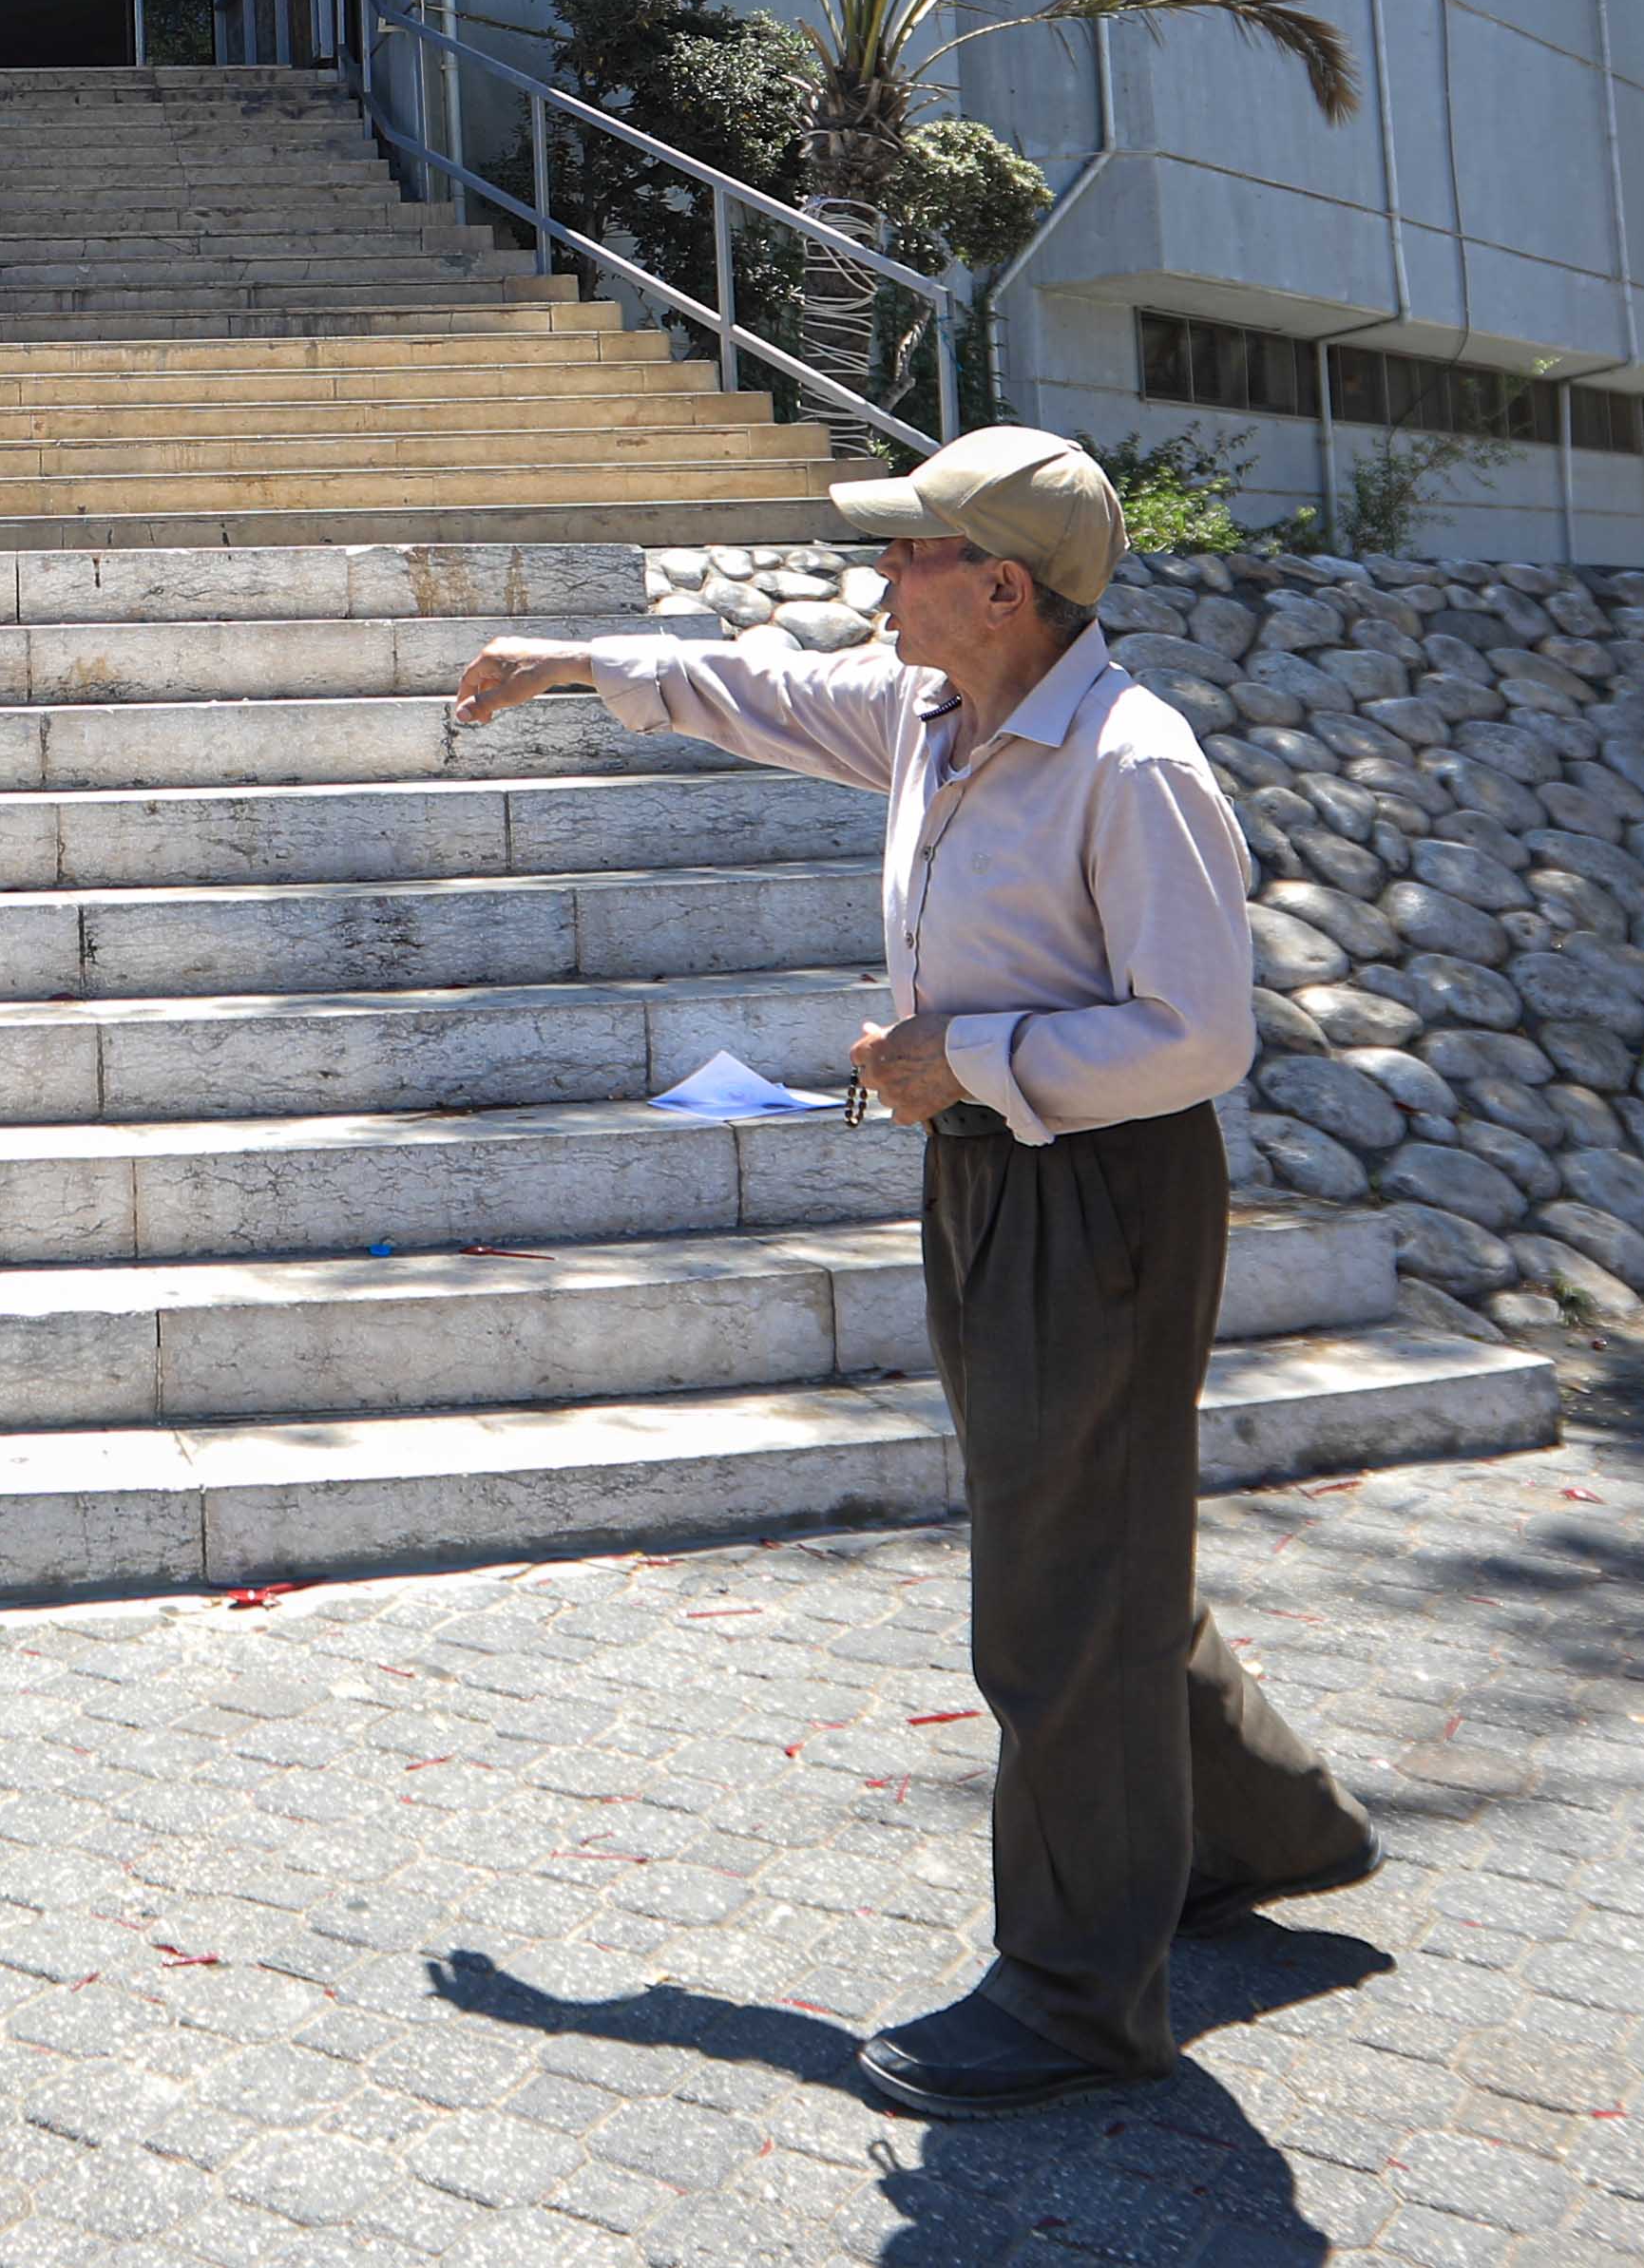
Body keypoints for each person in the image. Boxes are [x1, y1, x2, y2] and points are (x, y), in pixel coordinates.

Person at [452, 424, 1374, 2115]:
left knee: (1056, 1593)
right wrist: (585, 659)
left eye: (908, 557)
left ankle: (1075, 2002)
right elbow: (765, 691)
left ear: (1002, 587)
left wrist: (971, 1055)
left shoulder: (1131, 764)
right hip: (993, 1174)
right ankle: (1263, 1825)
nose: (877, 583)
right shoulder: (933, 715)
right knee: (1087, 1542)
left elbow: (1198, 1037)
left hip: (1093, 1188)